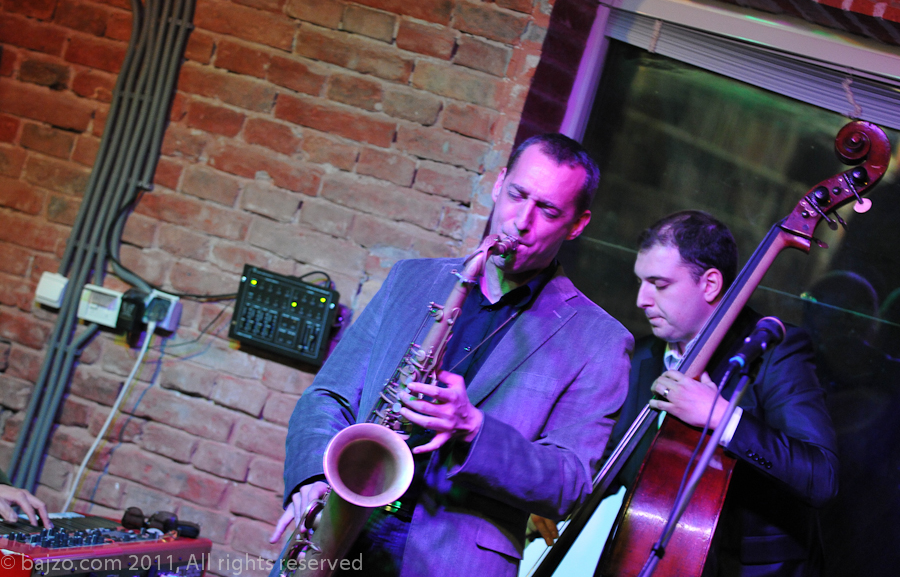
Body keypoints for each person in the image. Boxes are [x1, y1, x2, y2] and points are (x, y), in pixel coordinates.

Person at [268, 134, 633, 577]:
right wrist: (312, 476)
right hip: (341, 522)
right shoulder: (410, 279)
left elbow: (569, 484)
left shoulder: (600, 340)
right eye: (517, 195)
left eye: (548, 211)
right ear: (499, 183)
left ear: (577, 224)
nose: (521, 221)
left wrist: (474, 429)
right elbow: (329, 395)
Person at [598, 210, 838, 576]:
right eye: (641, 282)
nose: (641, 300)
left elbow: (821, 476)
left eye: (659, 284)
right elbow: (615, 461)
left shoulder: (775, 350)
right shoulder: (643, 354)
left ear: (710, 284)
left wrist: (724, 418)